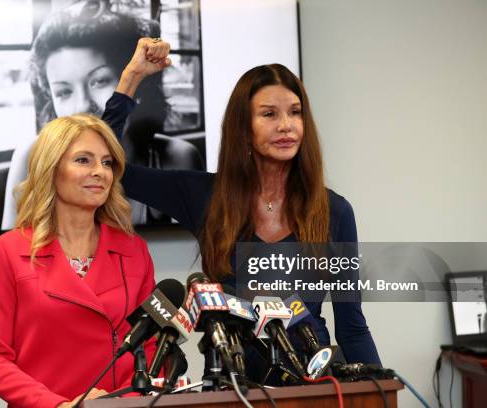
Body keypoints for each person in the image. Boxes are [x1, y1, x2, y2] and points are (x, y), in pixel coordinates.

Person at [102, 38, 381, 378]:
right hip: (233, 383)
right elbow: (113, 167)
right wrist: (132, 77)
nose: (286, 125)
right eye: (269, 114)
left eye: (295, 112)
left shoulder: (334, 211)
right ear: (243, 129)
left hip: (314, 382)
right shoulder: (204, 195)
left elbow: (352, 326)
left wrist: (376, 387)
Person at [0, 113, 158, 407]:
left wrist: (121, 402)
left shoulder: (134, 249)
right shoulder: (8, 251)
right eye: (83, 160)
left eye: (107, 162)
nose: (100, 171)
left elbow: (152, 349)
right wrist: (59, 406)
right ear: (51, 169)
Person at [0, 2, 203, 229]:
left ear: (136, 83)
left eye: (99, 81)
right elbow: (9, 258)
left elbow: (200, 254)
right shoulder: (31, 158)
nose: (82, 105)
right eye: (64, 91)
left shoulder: (177, 158)